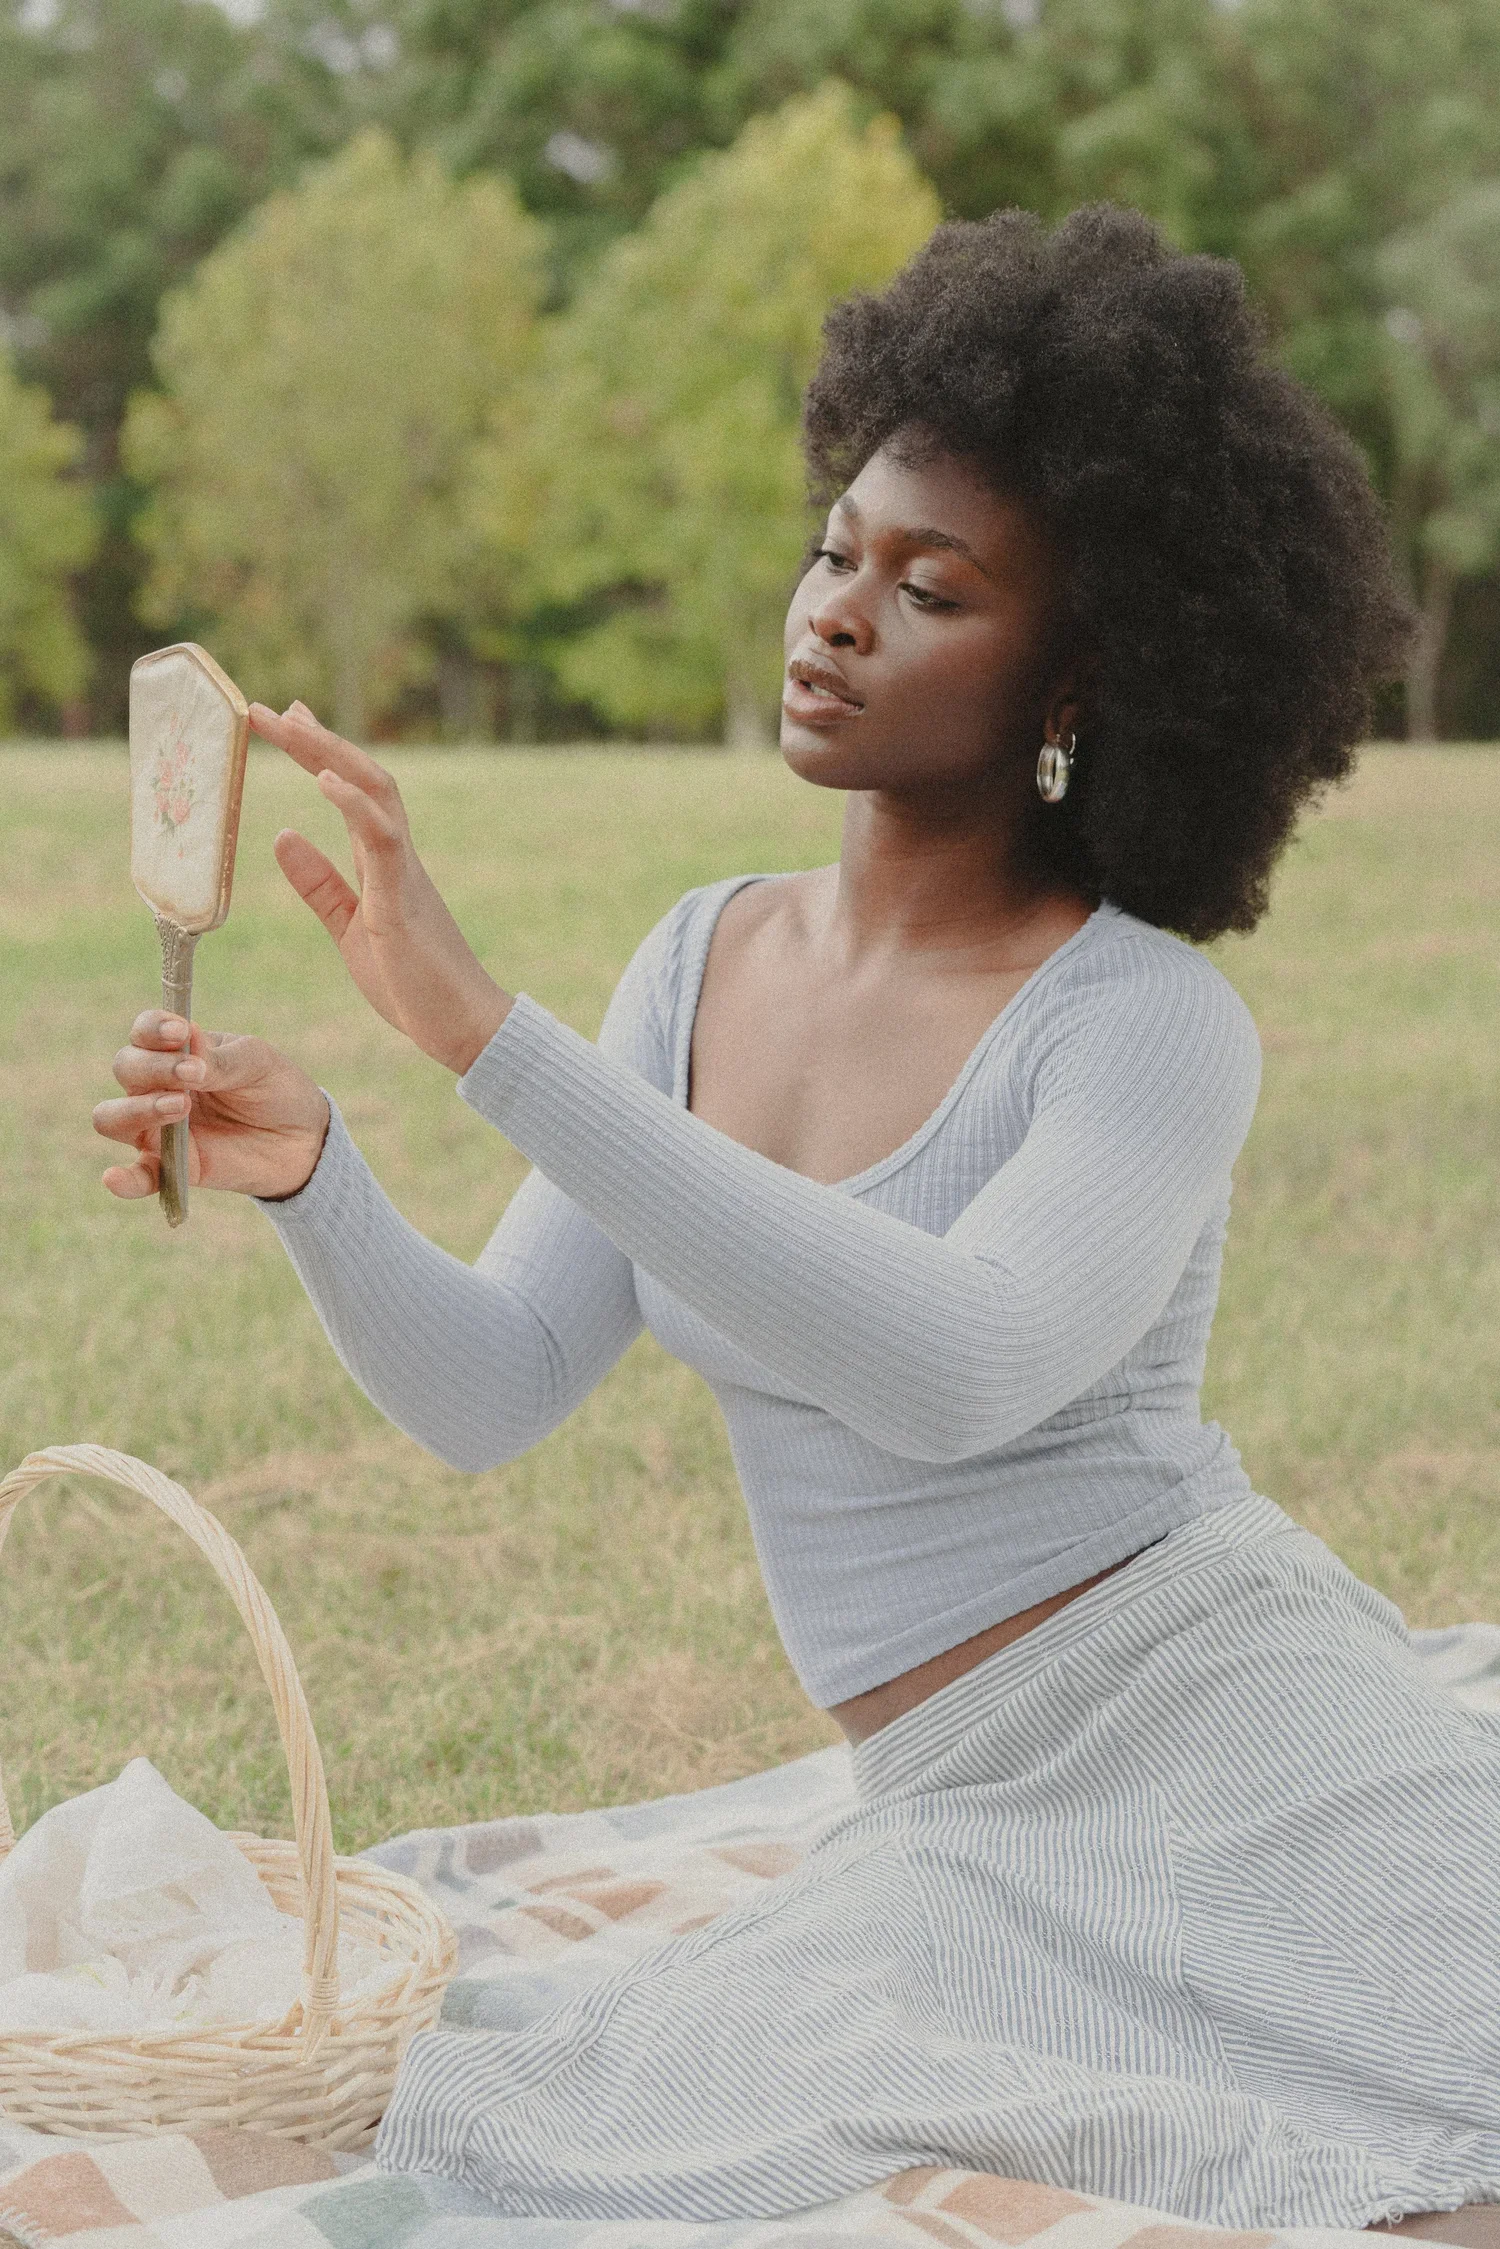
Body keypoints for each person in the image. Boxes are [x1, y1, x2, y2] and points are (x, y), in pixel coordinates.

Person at [94, 206, 1500, 2239]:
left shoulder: (1147, 1023)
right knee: (622, 2098)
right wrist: (317, 1172)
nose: (837, 610)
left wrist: (490, 1036)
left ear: (1081, 677)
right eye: (838, 547)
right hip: (955, 1813)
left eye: (932, 588)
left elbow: (963, 1360)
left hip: (1215, 1713)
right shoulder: (696, 963)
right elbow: (492, 1389)